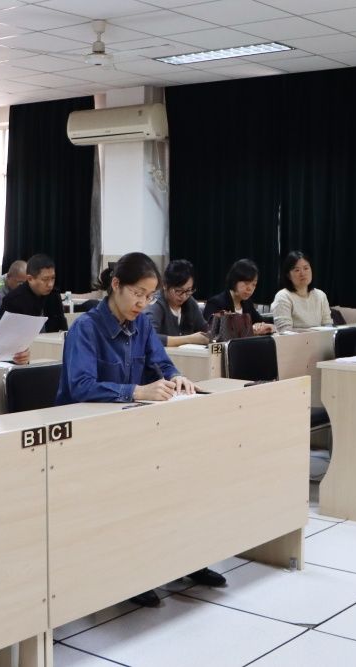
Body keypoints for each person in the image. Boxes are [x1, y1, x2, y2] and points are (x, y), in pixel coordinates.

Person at [55, 252, 226, 606]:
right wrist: (136, 391)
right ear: (116, 285)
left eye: (149, 296)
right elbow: (81, 387)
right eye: (137, 294)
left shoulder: (142, 324)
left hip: (129, 426)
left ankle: (186, 558)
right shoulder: (86, 329)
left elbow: (159, 362)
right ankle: (130, 573)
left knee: (185, 472)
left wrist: (176, 377)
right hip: (86, 435)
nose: (142, 303)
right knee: (137, 486)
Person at [143, 259, 209, 347]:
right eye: (178, 291)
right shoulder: (155, 304)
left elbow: (205, 329)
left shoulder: (190, 302)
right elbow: (148, 338)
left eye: (188, 290)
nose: (184, 296)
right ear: (165, 285)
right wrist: (189, 339)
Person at [203, 259, 275, 335]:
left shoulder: (247, 303)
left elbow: (260, 321)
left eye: (254, 284)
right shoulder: (216, 303)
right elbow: (212, 333)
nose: (250, 288)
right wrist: (251, 331)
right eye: (246, 283)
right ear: (234, 281)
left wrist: (261, 325)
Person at [0, 254, 68, 333]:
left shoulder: (54, 295)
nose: (50, 284)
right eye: (45, 279)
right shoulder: (12, 300)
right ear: (30, 279)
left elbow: (62, 328)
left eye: (53, 278)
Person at [270, 251, 333, 333]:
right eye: (297, 270)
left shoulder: (321, 295)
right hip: (293, 341)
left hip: (319, 340)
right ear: (288, 276)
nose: (303, 273)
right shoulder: (283, 296)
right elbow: (284, 331)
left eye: (306, 268)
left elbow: (328, 325)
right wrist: (312, 333)